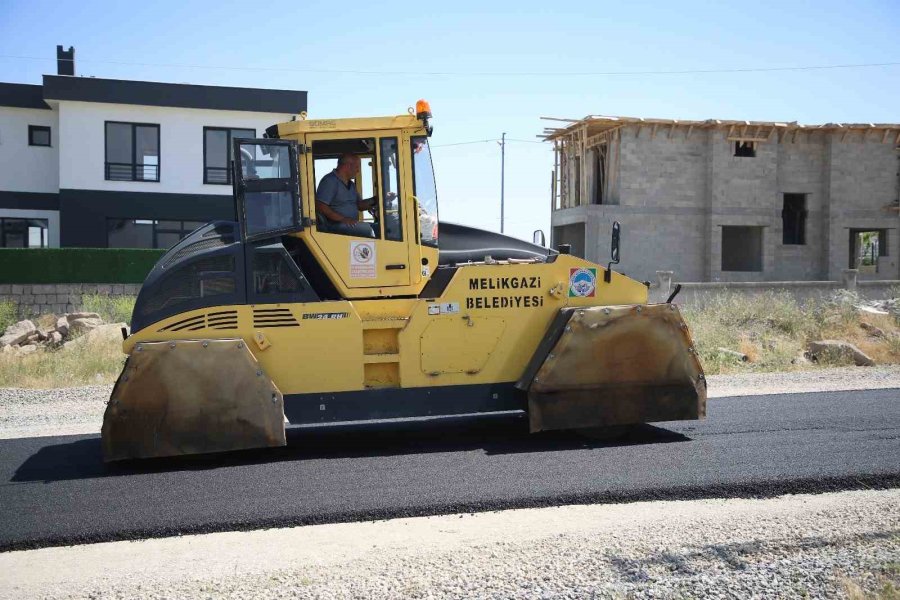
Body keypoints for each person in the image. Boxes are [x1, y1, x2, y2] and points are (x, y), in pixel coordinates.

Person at [315, 153, 376, 238]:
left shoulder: (351, 184)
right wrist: (343, 219)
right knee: (368, 230)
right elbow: (320, 206)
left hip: (350, 224)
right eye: (357, 167)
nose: (358, 170)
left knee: (377, 227)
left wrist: (376, 200)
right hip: (335, 226)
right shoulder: (330, 181)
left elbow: (360, 205)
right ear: (348, 166)